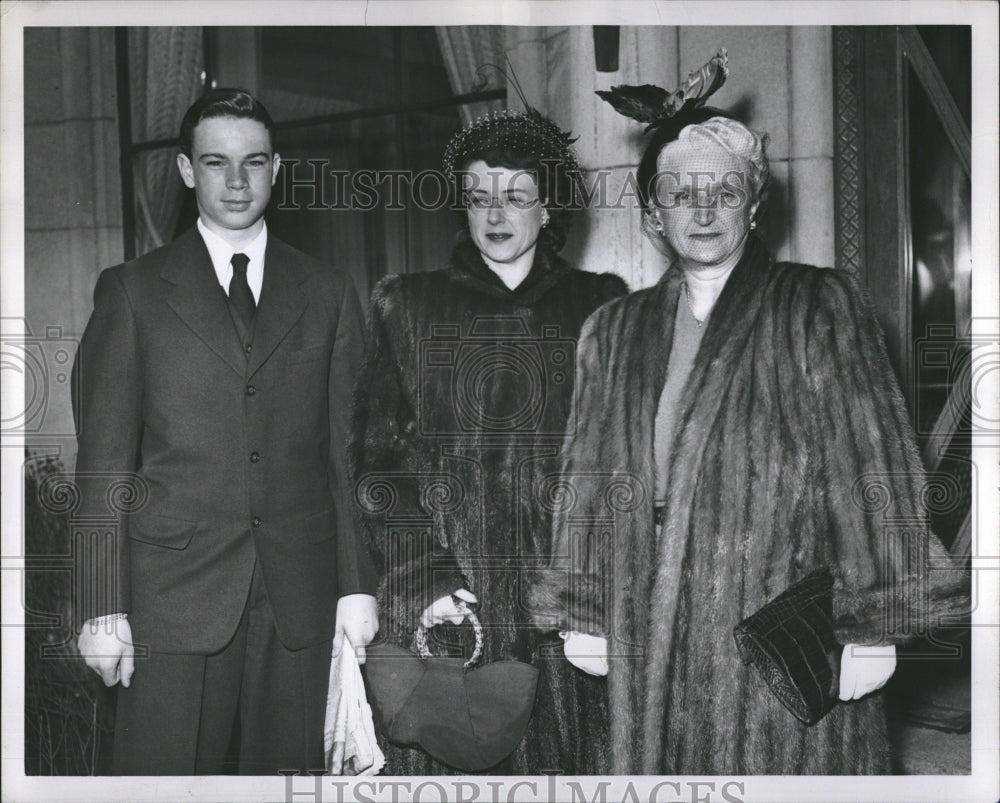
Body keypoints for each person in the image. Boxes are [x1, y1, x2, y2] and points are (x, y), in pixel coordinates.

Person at [530, 66, 967, 775]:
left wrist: (877, 620)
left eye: (725, 192)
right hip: (646, 620)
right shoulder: (610, 331)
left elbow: (872, 464)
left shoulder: (817, 305)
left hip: (774, 620)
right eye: (682, 194)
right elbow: (587, 477)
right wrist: (581, 602)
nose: (704, 212)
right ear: (652, 213)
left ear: (754, 208)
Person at [72, 88, 378, 775]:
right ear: (186, 170)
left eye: (254, 162)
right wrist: (100, 606)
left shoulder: (328, 289)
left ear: (277, 168)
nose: (237, 182)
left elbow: (347, 453)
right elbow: (103, 465)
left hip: (299, 598)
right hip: (170, 599)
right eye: (216, 163)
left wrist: (357, 586)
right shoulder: (132, 291)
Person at [350, 108, 628, 774]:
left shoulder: (603, 307)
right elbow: (375, 468)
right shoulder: (407, 306)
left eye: (516, 195)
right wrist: (424, 577)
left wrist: (588, 589)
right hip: (448, 604)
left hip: (564, 616)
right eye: (478, 197)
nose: (496, 214)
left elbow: (618, 465)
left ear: (548, 205)